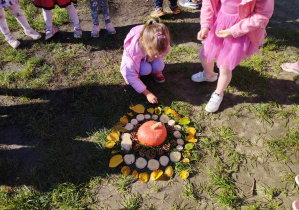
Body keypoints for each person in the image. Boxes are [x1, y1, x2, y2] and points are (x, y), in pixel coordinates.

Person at [191, 0, 274, 113]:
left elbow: (263, 14)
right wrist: (206, 25)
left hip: (241, 29)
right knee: (204, 55)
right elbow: (208, 4)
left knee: (225, 66)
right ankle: (209, 74)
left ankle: (218, 93)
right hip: (219, 23)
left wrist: (233, 30)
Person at [120, 18, 170, 104]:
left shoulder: (161, 41)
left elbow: (165, 50)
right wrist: (147, 93)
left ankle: (154, 71)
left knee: (159, 65)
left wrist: (154, 57)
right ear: (144, 44)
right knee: (146, 69)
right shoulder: (133, 52)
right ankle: (143, 70)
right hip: (138, 58)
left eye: (159, 53)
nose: (158, 55)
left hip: (146, 54)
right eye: (155, 53)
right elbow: (130, 75)